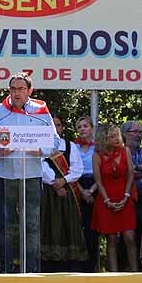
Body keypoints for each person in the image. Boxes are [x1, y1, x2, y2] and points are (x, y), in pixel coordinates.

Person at [0, 73, 57, 274]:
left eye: (21, 89)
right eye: (13, 89)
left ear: (29, 91)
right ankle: (6, 269)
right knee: (5, 225)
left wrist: (41, 151)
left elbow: (55, 142)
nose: (16, 93)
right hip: (4, 175)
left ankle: (31, 270)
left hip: (31, 175)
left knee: (31, 225)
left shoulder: (41, 110)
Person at [40, 115, 87, 271]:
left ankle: (70, 265)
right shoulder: (40, 146)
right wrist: (55, 183)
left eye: (58, 125)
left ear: (62, 128)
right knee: (49, 225)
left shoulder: (69, 146)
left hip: (68, 192)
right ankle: (49, 265)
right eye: (52, 126)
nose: (55, 128)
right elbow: (40, 167)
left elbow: (77, 168)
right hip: (48, 192)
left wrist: (63, 181)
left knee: (69, 225)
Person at [91, 123, 138, 272]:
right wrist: (107, 201)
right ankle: (113, 275)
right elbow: (98, 181)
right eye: (112, 136)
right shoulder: (97, 156)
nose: (116, 138)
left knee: (129, 237)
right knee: (111, 239)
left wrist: (126, 196)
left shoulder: (126, 151)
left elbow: (131, 174)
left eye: (117, 135)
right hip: (106, 199)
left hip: (125, 196)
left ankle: (135, 273)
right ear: (104, 138)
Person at [119, 120, 142, 267]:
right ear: (124, 134)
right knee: (125, 239)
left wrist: (136, 170)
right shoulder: (119, 153)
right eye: (135, 132)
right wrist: (135, 170)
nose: (139, 135)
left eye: (140, 132)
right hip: (125, 201)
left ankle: (141, 270)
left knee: (141, 238)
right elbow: (121, 173)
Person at [73, 115, 99, 271]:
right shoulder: (73, 147)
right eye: (79, 127)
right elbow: (71, 170)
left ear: (92, 129)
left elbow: (101, 172)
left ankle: (92, 266)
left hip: (95, 187)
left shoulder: (98, 147)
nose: (82, 129)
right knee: (78, 226)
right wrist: (82, 191)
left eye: (85, 126)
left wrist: (91, 191)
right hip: (77, 186)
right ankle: (78, 266)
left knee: (92, 228)